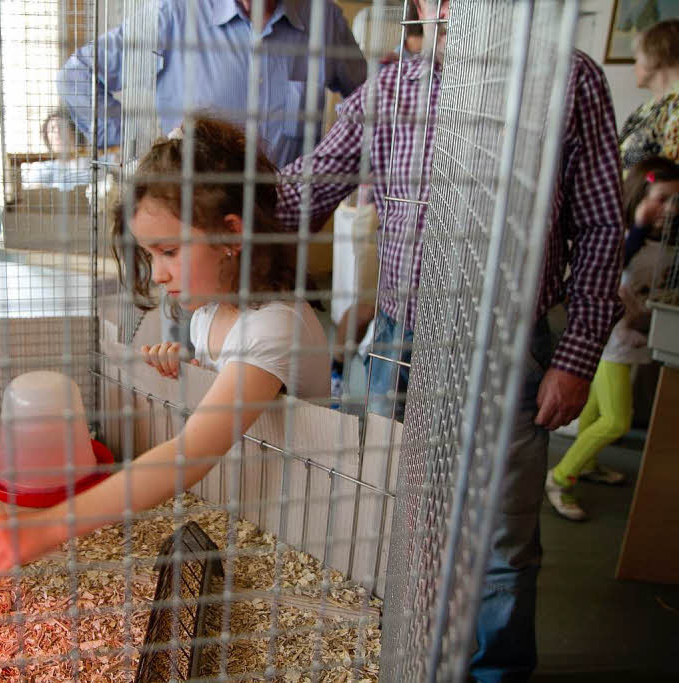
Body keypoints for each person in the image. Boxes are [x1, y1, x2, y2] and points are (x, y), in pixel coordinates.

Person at [274, 0, 623, 679]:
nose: (442, 8)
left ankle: (493, 671)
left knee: (499, 542)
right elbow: (306, 187)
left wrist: (578, 354)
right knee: (385, 516)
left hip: (509, 345)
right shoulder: (392, 86)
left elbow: (605, 228)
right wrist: (216, 204)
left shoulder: (569, 79)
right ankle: (393, 659)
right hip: (399, 343)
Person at [0, 115, 330, 567]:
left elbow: (191, 452)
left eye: (170, 252)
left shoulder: (275, 326)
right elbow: (243, 399)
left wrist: (50, 526)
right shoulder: (210, 313)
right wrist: (194, 367)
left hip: (309, 527)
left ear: (232, 234)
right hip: (252, 502)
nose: (157, 274)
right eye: (149, 254)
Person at [57, 0, 367, 169]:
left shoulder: (324, 19)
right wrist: (139, 141)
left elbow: (369, 99)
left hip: (283, 223)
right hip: (195, 218)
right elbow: (77, 74)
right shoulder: (175, 13)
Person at [546, 157, 679, 521]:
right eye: (661, 198)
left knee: (594, 408)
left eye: (675, 201)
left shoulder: (665, 241)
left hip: (632, 338)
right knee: (618, 421)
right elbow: (619, 260)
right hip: (612, 338)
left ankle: (584, 463)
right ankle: (560, 477)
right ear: (637, 197)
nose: (668, 209)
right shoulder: (624, 238)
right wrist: (636, 227)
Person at [619, 19, 679, 170]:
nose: (634, 67)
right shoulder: (646, 108)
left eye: (637, 59)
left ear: (655, 58)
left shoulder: (675, 109)